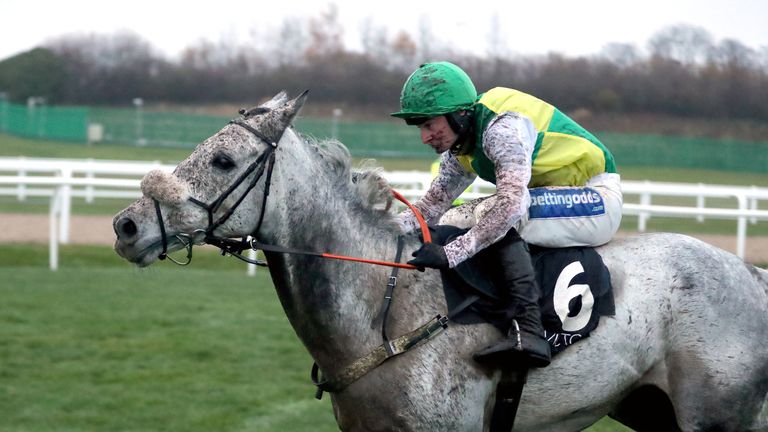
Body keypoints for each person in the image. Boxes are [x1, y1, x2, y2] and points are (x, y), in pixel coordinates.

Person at [392, 61, 623, 368]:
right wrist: (377, 228)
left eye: (429, 124)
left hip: (596, 198)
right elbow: (431, 207)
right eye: (420, 127)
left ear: (459, 113)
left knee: (493, 211)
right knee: (453, 219)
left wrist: (450, 254)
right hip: (554, 197)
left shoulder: (501, 128)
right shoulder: (462, 143)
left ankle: (529, 330)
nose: (425, 137)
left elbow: (512, 204)